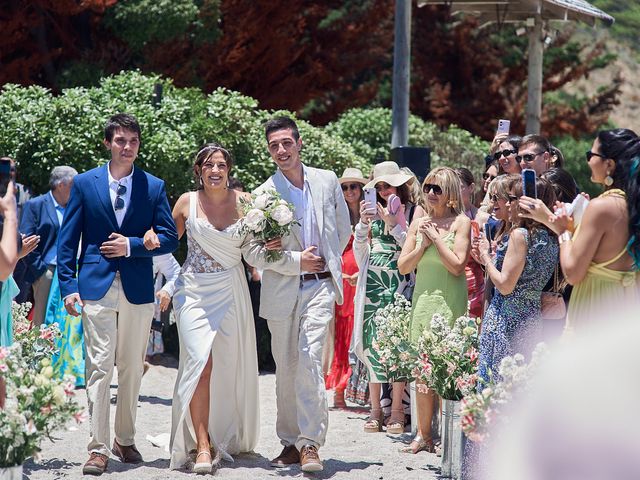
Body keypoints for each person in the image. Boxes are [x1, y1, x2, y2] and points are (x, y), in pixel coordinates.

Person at [57, 113, 178, 476]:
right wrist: (68, 286)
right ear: (108, 143)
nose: (128, 147)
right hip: (95, 285)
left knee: (131, 369)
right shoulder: (84, 183)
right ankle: (97, 447)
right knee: (98, 366)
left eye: (134, 141)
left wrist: (134, 244)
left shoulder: (153, 186)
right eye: (121, 141)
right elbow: (69, 240)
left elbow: (170, 238)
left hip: (140, 288)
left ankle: (124, 438)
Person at [243, 116, 351, 473]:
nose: (281, 150)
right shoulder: (263, 194)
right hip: (281, 290)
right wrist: (293, 260)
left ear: (299, 142)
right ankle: (289, 441)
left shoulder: (327, 180)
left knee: (308, 360)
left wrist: (323, 262)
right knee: (286, 369)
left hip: (320, 286)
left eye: (286, 143)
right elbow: (252, 252)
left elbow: (343, 228)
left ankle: (310, 444)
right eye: (274, 145)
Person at [168, 144, 259, 473]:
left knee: (229, 365)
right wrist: (169, 284)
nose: (215, 170)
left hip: (231, 288)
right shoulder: (185, 203)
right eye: (208, 165)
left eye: (221, 164)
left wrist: (273, 246)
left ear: (229, 170)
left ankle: (222, 432)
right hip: (192, 292)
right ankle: (202, 445)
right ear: (199, 170)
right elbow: (166, 247)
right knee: (199, 364)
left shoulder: (247, 203)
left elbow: (255, 250)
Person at [523, 128, 640, 334]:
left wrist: (563, 233)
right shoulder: (630, 205)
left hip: (593, 310)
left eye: (591, 155)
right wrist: (547, 218)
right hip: (624, 310)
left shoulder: (602, 207)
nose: (588, 161)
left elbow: (573, 273)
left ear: (609, 164)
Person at [398, 167, 470, 454]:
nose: (429, 192)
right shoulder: (419, 222)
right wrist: (423, 244)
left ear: (450, 193)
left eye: (437, 188)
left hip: (450, 302)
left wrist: (437, 240)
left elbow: (456, 265)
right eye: (427, 186)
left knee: (448, 372)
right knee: (422, 374)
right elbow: (403, 266)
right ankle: (423, 435)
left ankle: (448, 436)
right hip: (423, 303)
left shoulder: (462, 222)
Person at [474, 176, 559, 385]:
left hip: (506, 317)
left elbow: (505, 285)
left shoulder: (520, 235)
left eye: (512, 198)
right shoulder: (552, 236)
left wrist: (485, 255)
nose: (508, 203)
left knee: (496, 386)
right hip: (531, 316)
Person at [352, 161, 413, 437]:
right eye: (378, 186)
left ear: (399, 186)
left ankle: (398, 410)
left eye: (388, 185)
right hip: (373, 286)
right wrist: (363, 225)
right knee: (372, 343)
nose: (383, 190)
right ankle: (375, 410)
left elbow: (411, 251)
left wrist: (394, 225)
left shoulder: (409, 210)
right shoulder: (370, 213)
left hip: (399, 282)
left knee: (399, 343)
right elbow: (359, 252)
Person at [325, 167, 367, 409]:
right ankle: (340, 390)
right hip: (342, 279)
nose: (349, 191)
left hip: (363, 277)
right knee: (342, 333)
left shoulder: (369, 214)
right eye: (344, 187)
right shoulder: (336, 215)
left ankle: (357, 390)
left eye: (354, 186)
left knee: (357, 331)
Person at [20, 166, 78, 326]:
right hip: (48, 271)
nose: (76, 190)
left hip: (71, 270)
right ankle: (41, 350)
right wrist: (41, 271)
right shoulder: (35, 205)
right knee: (44, 319)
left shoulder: (73, 208)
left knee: (69, 319)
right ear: (61, 185)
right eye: (73, 185)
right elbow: (27, 239)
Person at [456, 168, 487, 319]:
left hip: (475, 283)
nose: (455, 191)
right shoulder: (444, 218)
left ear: (471, 188)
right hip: (451, 277)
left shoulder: (483, 218)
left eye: (460, 186)